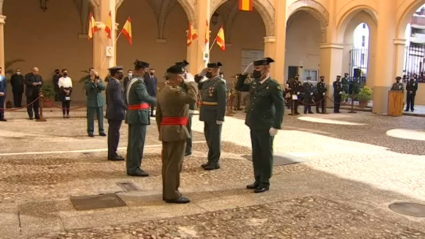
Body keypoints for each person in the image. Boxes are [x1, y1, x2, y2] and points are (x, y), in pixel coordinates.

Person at [235, 57, 284, 193]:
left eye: (258, 69)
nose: (255, 71)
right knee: (256, 153)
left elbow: (280, 107)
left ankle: (265, 181)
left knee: (265, 153)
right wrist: (243, 75)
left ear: (266, 69)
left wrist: (276, 125)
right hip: (254, 123)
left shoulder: (273, 85)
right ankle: (257, 179)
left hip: (266, 125)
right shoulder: (255, 83)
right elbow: (239, 87)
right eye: (255, 68)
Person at [156, 65, 198, 204]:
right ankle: (172, 194)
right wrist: (191, 82)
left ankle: (167, 192)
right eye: (183, 77)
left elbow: (158, 116)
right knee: (174, 164)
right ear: (179, 78)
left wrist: (161, 130)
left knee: (168, 163)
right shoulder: (175, 91)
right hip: (177, 131)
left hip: (167, 130)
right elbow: (192, 98)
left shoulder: (163, 90)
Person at [126, 60, 156, 177]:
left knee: (133, 143)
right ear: (141, 70)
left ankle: (131, 166)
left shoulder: (132, 80)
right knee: (137, 143)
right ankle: (134, 168)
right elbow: (144, 96)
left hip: (134, 114)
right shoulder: (138, 82)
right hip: (139, 115)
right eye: (145, 70)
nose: (146, 73)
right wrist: (159, 102)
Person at [194, 62, 227, 171]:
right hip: (206, 114)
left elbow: (222, 102)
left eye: (210, 70)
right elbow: (199, 84)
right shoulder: (207, 82)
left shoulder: (220, 83)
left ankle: (215, 161)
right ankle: (210, 159)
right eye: (207, 70)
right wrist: (200, 74)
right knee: (209, 138)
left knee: (215, 139)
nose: (208, 72)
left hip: (214, 114)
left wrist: (220, 117)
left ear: (216, 70)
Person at [106, 66, 127, 161]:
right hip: (116, 112)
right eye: (120, 73)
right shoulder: (115, 84)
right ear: (116, 74)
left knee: (113, 133)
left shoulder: (112, 83)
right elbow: (118, 99)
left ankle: (112, 152)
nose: (122, 74)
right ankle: (112, 154)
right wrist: (126, 107)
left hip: (113, 111)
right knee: (114, 134)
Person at [175, 60, 195, 156]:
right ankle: (180, 147)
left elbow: (193, 94)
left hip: (187, 107)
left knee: (187, 128)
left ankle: (188, 148)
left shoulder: (190, 78)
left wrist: (192, 108)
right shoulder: (177, 77)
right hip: (178, 107)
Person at [85, 70, 106, 137]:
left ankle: (101, 130)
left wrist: (98, 83)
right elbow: (87, 88)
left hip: (99, 101)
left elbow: (103, 87)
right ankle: (90, 131)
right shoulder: (87, 81)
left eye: (97, 75)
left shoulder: (99, 80)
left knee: (100, 116)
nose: (97, 76)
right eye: (95, 75)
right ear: (92, 75)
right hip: (92, 101)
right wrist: (92, 82)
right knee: (91, 117)